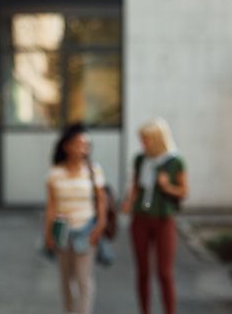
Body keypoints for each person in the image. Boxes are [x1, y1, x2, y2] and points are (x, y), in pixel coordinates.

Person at [121, 118, 188, 314]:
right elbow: (135, 186)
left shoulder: (175, 161)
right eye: (142, 139)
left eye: (147, 139)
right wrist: (129, 202)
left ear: (158, 139)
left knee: (164, 272)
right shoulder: (141, 159)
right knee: (142, 271)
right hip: (141, 218)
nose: (143, 144)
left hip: (163, 219)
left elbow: (183, 191)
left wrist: (167, 186)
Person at [44, 123, 107, 314]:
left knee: (84, 280)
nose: (83, 148)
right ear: (67, 146)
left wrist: (99, 227)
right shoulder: (55, 173)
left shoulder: (93, 170)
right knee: (66, 279)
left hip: (86, 230)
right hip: (62, 231)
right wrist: (48, 232)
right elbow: (51, 205)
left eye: (86, 145)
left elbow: (102, 202)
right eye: (78, 144)